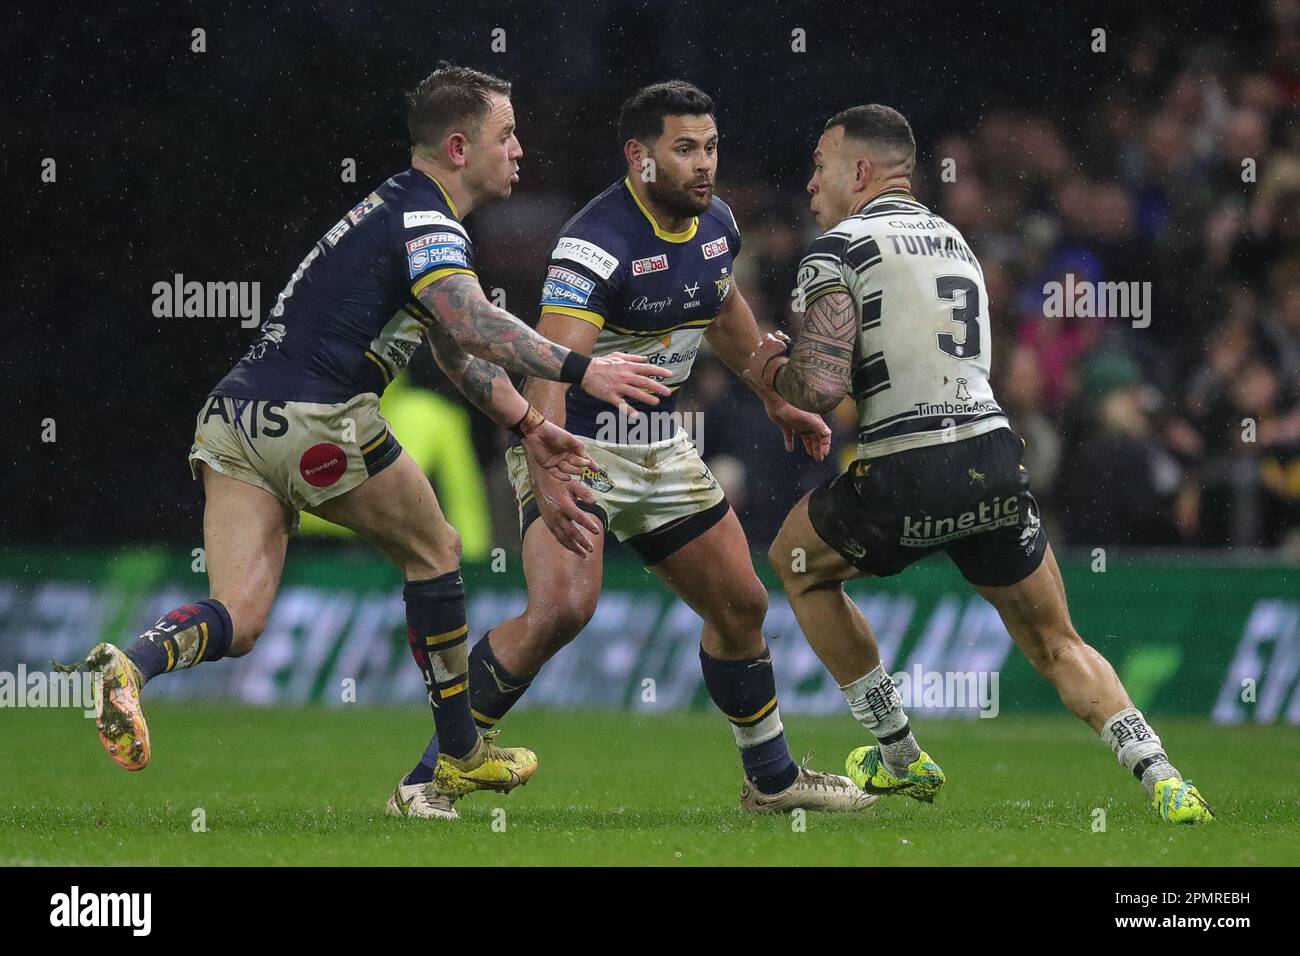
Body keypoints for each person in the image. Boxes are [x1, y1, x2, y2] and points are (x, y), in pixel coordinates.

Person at [83, 63, 671, 823]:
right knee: (437, 552)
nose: (522, 149)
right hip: (316, 417)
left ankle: (132, 663)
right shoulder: (428, 218)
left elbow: (458, 354)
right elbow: (471, 322)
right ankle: (457, 756)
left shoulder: (391, 211)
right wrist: (583, 369)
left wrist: (531, 425)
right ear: (458, 148)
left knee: (240, 616)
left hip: (234, 417)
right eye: (507, 135)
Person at [752, 104, 1213, 824]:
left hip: (907, 463)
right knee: (1057, 642)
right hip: (993, 457)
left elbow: (820, 387)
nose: (811, 186)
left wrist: (772, 364)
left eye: (820, 168)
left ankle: (898, 751)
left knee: (795, 563)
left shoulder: (836, 250)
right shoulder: (958, 244)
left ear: (861, 171)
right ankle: (1162, 775)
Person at [464, 81, 874, 814]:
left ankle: (772, 782)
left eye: (710, 147)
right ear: (639, 156)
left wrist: (774, 394)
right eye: (684, 149)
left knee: (742, 605)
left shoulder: (715, 223)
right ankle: (438, 770)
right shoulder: (595, 242)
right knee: (563, 608)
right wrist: (550, 471)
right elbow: (552, 365)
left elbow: (721, 308)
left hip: (658, 446)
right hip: (573, 440)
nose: (704, 164)